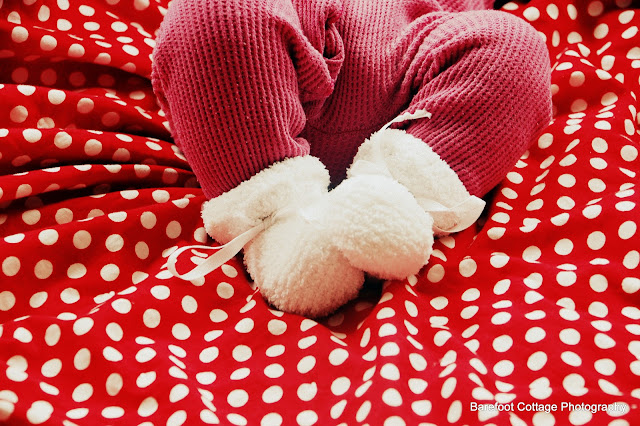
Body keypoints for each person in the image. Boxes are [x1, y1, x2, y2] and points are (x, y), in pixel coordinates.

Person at [152, 0, 552, 317]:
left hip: (417, 74)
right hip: (277, 62)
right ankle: (276, 222)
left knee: (517, 47)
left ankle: (387, 203)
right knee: (217, 11)